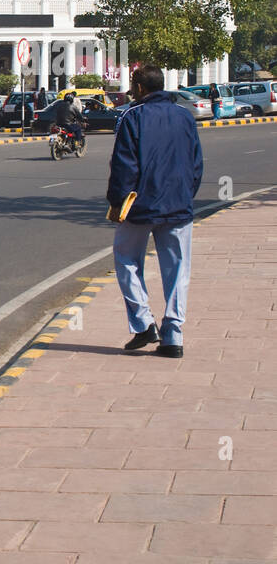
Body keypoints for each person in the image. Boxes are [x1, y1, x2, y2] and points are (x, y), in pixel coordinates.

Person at [107, 66, 204, 359]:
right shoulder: (184, 116)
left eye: (132, 84)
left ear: (139, 87)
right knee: (177, 271)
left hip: (139, 206)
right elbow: (196, 163)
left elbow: (124, 166)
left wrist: (117, 202)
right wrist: (187, 194)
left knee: (126, 260)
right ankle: (173, 336)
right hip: (178, 205)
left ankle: (144, 323)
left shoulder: (132, 117)